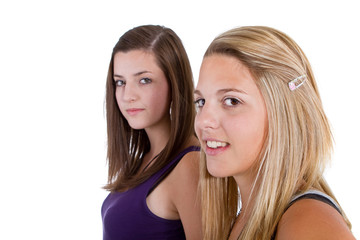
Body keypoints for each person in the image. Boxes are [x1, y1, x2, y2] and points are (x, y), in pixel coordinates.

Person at [194, 26, 355, 239]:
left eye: (232, 101)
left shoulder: (308, 222)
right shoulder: (246, 217)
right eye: (201, 101)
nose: (203, 120)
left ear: (283, 112)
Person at [101, 25, 201, 240]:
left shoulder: (189, 165)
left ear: (175, 83)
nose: (128, 95)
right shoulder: (142, 160)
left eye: (144, 80)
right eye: (120, 82)